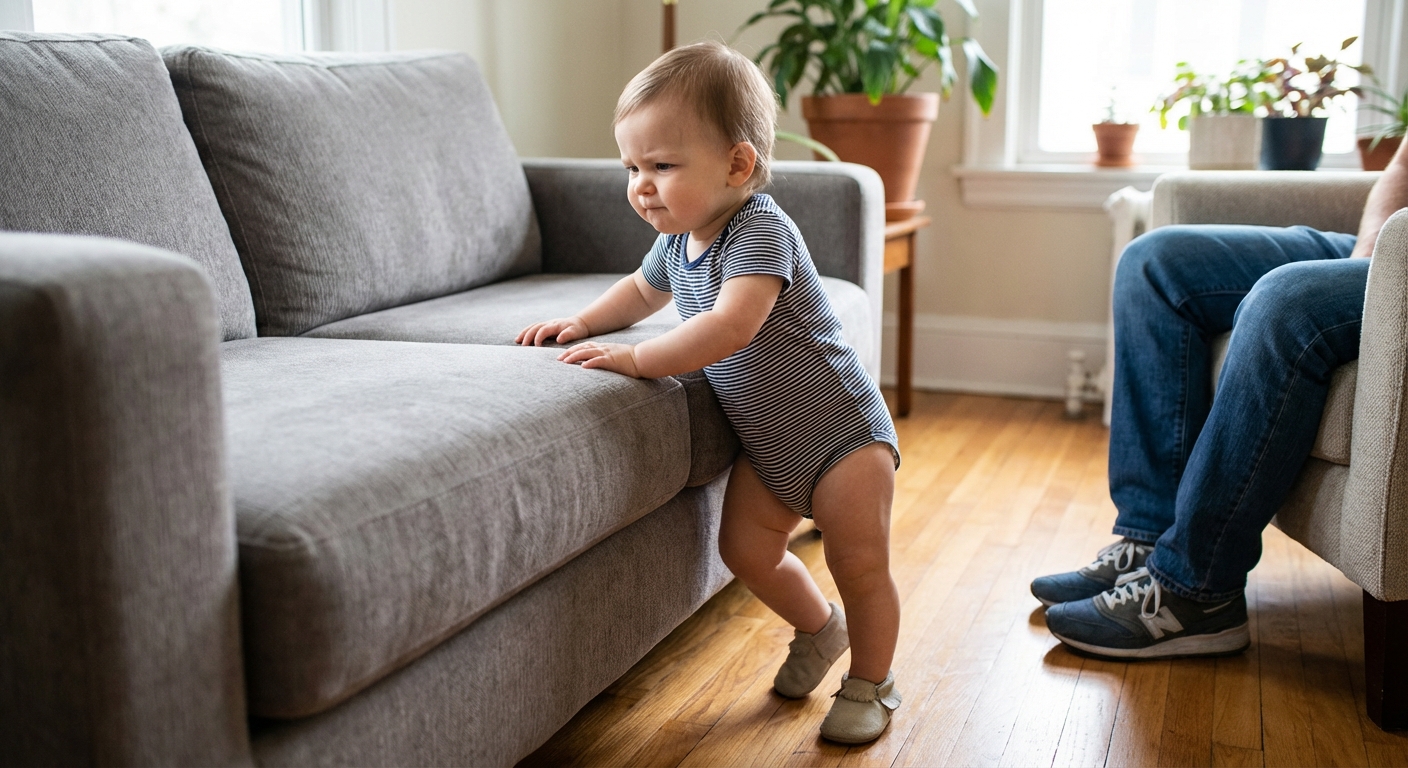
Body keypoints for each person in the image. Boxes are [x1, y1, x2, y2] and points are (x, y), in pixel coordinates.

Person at [515, 41, 904, 743]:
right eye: (632, 166)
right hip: (769, 443)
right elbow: (640, 290)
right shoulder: (677, 241)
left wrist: (637, 360)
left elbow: (730, 328)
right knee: (747, 550)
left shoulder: (759, 230)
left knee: (860, 563)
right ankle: (821, 629)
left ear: (738, 163)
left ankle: (872, 683)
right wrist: (583, 322)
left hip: (841, 433)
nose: (641, 184)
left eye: (662, 166)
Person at [1032, 141, 1408, 659]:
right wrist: (1372, 252)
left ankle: (1197, 590)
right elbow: (1404, 163)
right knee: (1153, 263)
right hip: (1384, 251)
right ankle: (1150, 539)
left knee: (1286, 302)